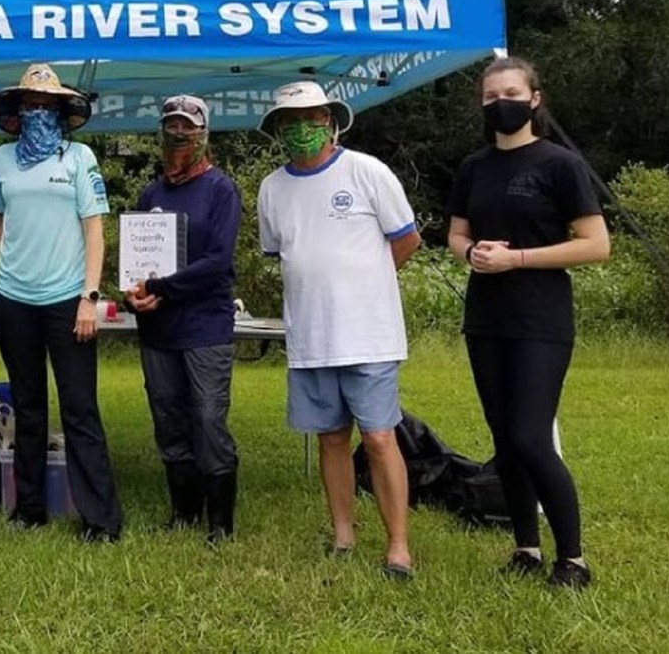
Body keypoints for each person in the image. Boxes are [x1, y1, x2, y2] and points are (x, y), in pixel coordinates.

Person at [446, 56, 609, 589]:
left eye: (511, 94)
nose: (502, 105)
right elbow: (455, 236)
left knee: (530, 435)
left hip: (541, 316)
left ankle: (574, 559)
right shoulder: (474, 167)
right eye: (491, 99)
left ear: (534, 99)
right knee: (503, 436)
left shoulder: (561, 164)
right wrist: (473, 255)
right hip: (486, 317)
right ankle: (526, 547)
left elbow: (595, 245)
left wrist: (516, 259)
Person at [257, 81, 421, 579]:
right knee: (331, 438)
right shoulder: (272, 187)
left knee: (377, 438)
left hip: (369, 333)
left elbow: (407, 240)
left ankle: (398, 548)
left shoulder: (367, 171)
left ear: (331, 120)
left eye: (312, 118)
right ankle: (343, 536)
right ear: (278, 130)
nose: (303, 128)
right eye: (291, 121)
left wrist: (364, 285)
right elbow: (278, 252)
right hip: (309, 336)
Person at [0, 63, 122, 542]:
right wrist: (16, 261)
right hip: (13, 299)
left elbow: (94, 230)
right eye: (31, 106)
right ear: (18, 112)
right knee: (27, 405)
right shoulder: (2, 159)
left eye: (47, 106)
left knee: (80, 408)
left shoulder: (79, 158)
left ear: (61, 111)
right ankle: (28, 508)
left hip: (68, 301)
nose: (38, 113)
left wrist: (90, 297)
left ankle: (100, 520)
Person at [125, 95, 242, 545]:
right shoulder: (151, 193)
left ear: (203, 134)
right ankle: (184, 513)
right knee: (168, 418)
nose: (178, 135)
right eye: (170, 127)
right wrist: (135, 293)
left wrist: (161, 288)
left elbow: (218, 261)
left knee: (209, 418)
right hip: (158, 329)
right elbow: (136, 266)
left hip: (205, 327)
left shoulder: (220, 189)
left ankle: (220, 524)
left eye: (187, 127)